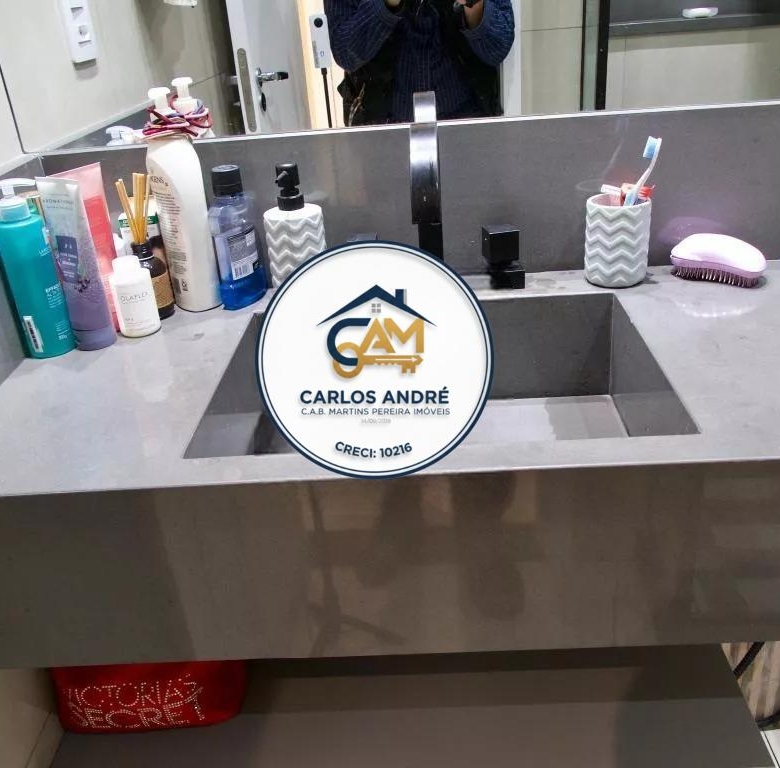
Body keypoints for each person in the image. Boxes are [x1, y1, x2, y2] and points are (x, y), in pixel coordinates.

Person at [324, 0, 514, 125]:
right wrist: (387, 5)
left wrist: (475, 6)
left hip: (467, 120)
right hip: (381, 124)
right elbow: (344, 52)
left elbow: (499, 47)